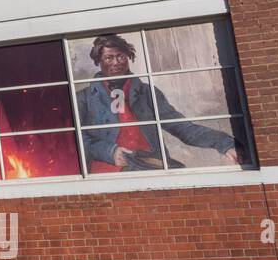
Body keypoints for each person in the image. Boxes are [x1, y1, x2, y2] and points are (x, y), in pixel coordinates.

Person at [76, 34, 241, 172]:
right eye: (109, 57)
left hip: (149, 166)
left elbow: (180, 127)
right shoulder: (84, 98)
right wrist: (108, 152)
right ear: (99, 61)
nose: (116, 62)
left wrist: (225, 144)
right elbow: (75, 138)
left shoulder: (147, 92)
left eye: (121, 56)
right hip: (108, 171)